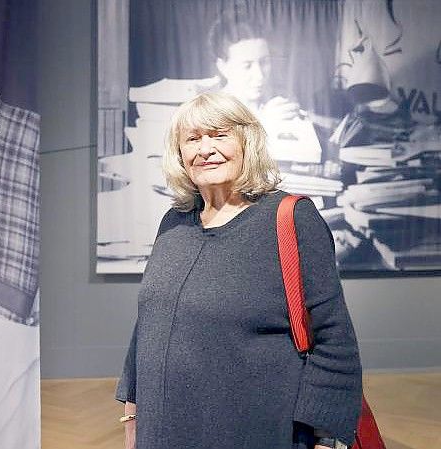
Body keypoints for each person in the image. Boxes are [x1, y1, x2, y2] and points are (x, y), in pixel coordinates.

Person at [116, 92, 362, 449]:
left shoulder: (292, 219)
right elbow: (149, 325)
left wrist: (323, 437)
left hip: (254, 430)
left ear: (248, 142)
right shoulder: (174, 222)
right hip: (165, 430)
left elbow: (333, 339)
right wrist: (133, 411)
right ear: (180, 154)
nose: (205, 149)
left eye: (219, 135)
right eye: (193, 139)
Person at [208, 15, 301, 123]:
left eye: (264, 62)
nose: (259, 75)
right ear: (223, 67)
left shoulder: (282, 97)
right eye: (247, 66)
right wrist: (263, 121)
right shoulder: (208, 112)